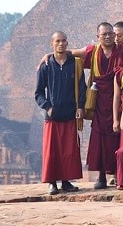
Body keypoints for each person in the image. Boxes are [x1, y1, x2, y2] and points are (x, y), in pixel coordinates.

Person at [34, 32, 86, 195]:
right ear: (52, 44)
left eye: (64, 41)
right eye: (58, 41)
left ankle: (66, 181)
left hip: (70, 113)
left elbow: (82, 88)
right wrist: (48, 107)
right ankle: (52, 182)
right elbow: (39, 92)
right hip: (53, 116)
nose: (61, 44)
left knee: (69, 151)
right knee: (52, 151)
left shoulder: (75, 64)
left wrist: (80, 107)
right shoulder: (46, 66)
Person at [83, 22, 123, 189]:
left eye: (110, 33)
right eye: (104, 34)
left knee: (118, 138)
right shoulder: (93, 52)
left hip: (118, 101)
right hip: (100, 102)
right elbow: (73, 54)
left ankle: (117, 174)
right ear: (98, 37)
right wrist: (51, 54)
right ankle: (101, 176)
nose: (108, 36)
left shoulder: (122, 51)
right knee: (100, 139)